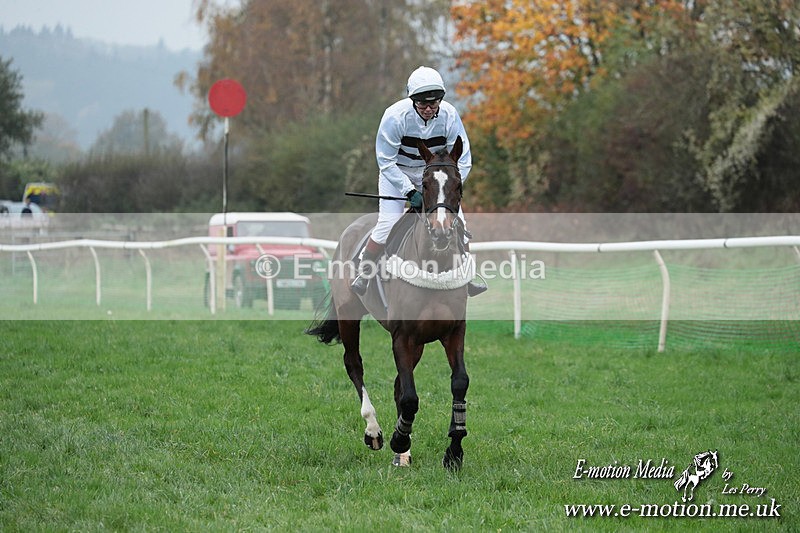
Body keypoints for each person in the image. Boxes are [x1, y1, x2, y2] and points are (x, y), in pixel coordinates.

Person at [351, 66, 487, 296]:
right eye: (422, 103)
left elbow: (463, 159)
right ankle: (365, 272)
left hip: (434, 175)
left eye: (433, 103)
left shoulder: (450, 115)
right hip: (397, 172)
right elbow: (385, 162)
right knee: (388, 222)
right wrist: (409, 191)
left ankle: (468, 275)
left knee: (459, 223)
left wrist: (451, 186)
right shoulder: (395, 117)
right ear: (412, 100)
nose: (428, 109)